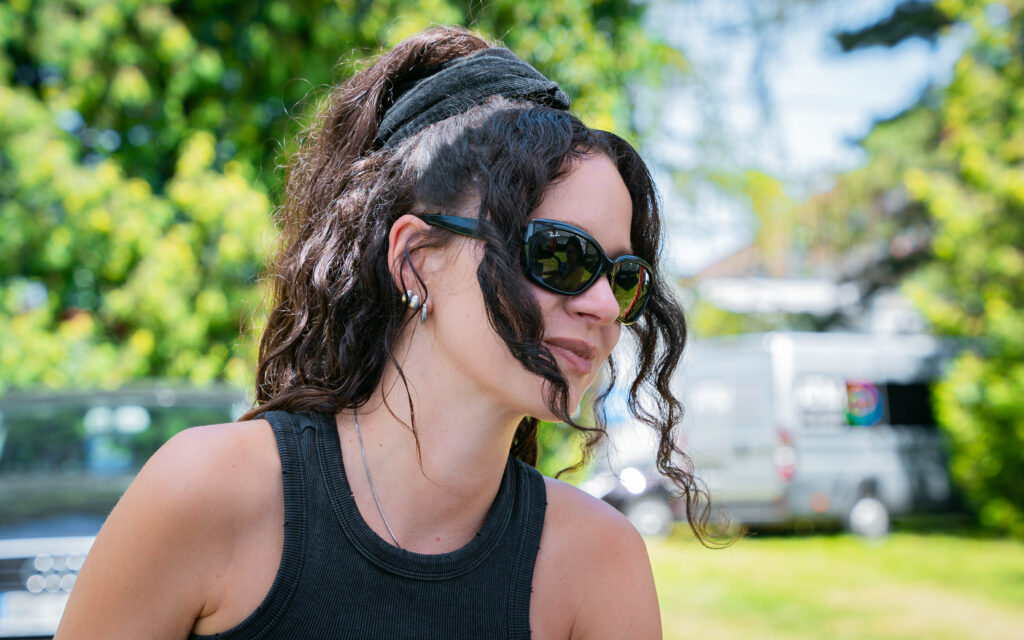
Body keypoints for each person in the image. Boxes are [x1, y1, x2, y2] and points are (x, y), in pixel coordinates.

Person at [55, 26, 709, 639]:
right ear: (416, 260)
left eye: (624, 276)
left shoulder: (600, 562)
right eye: (559, 255)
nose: (603, 304)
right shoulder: (206, 494)